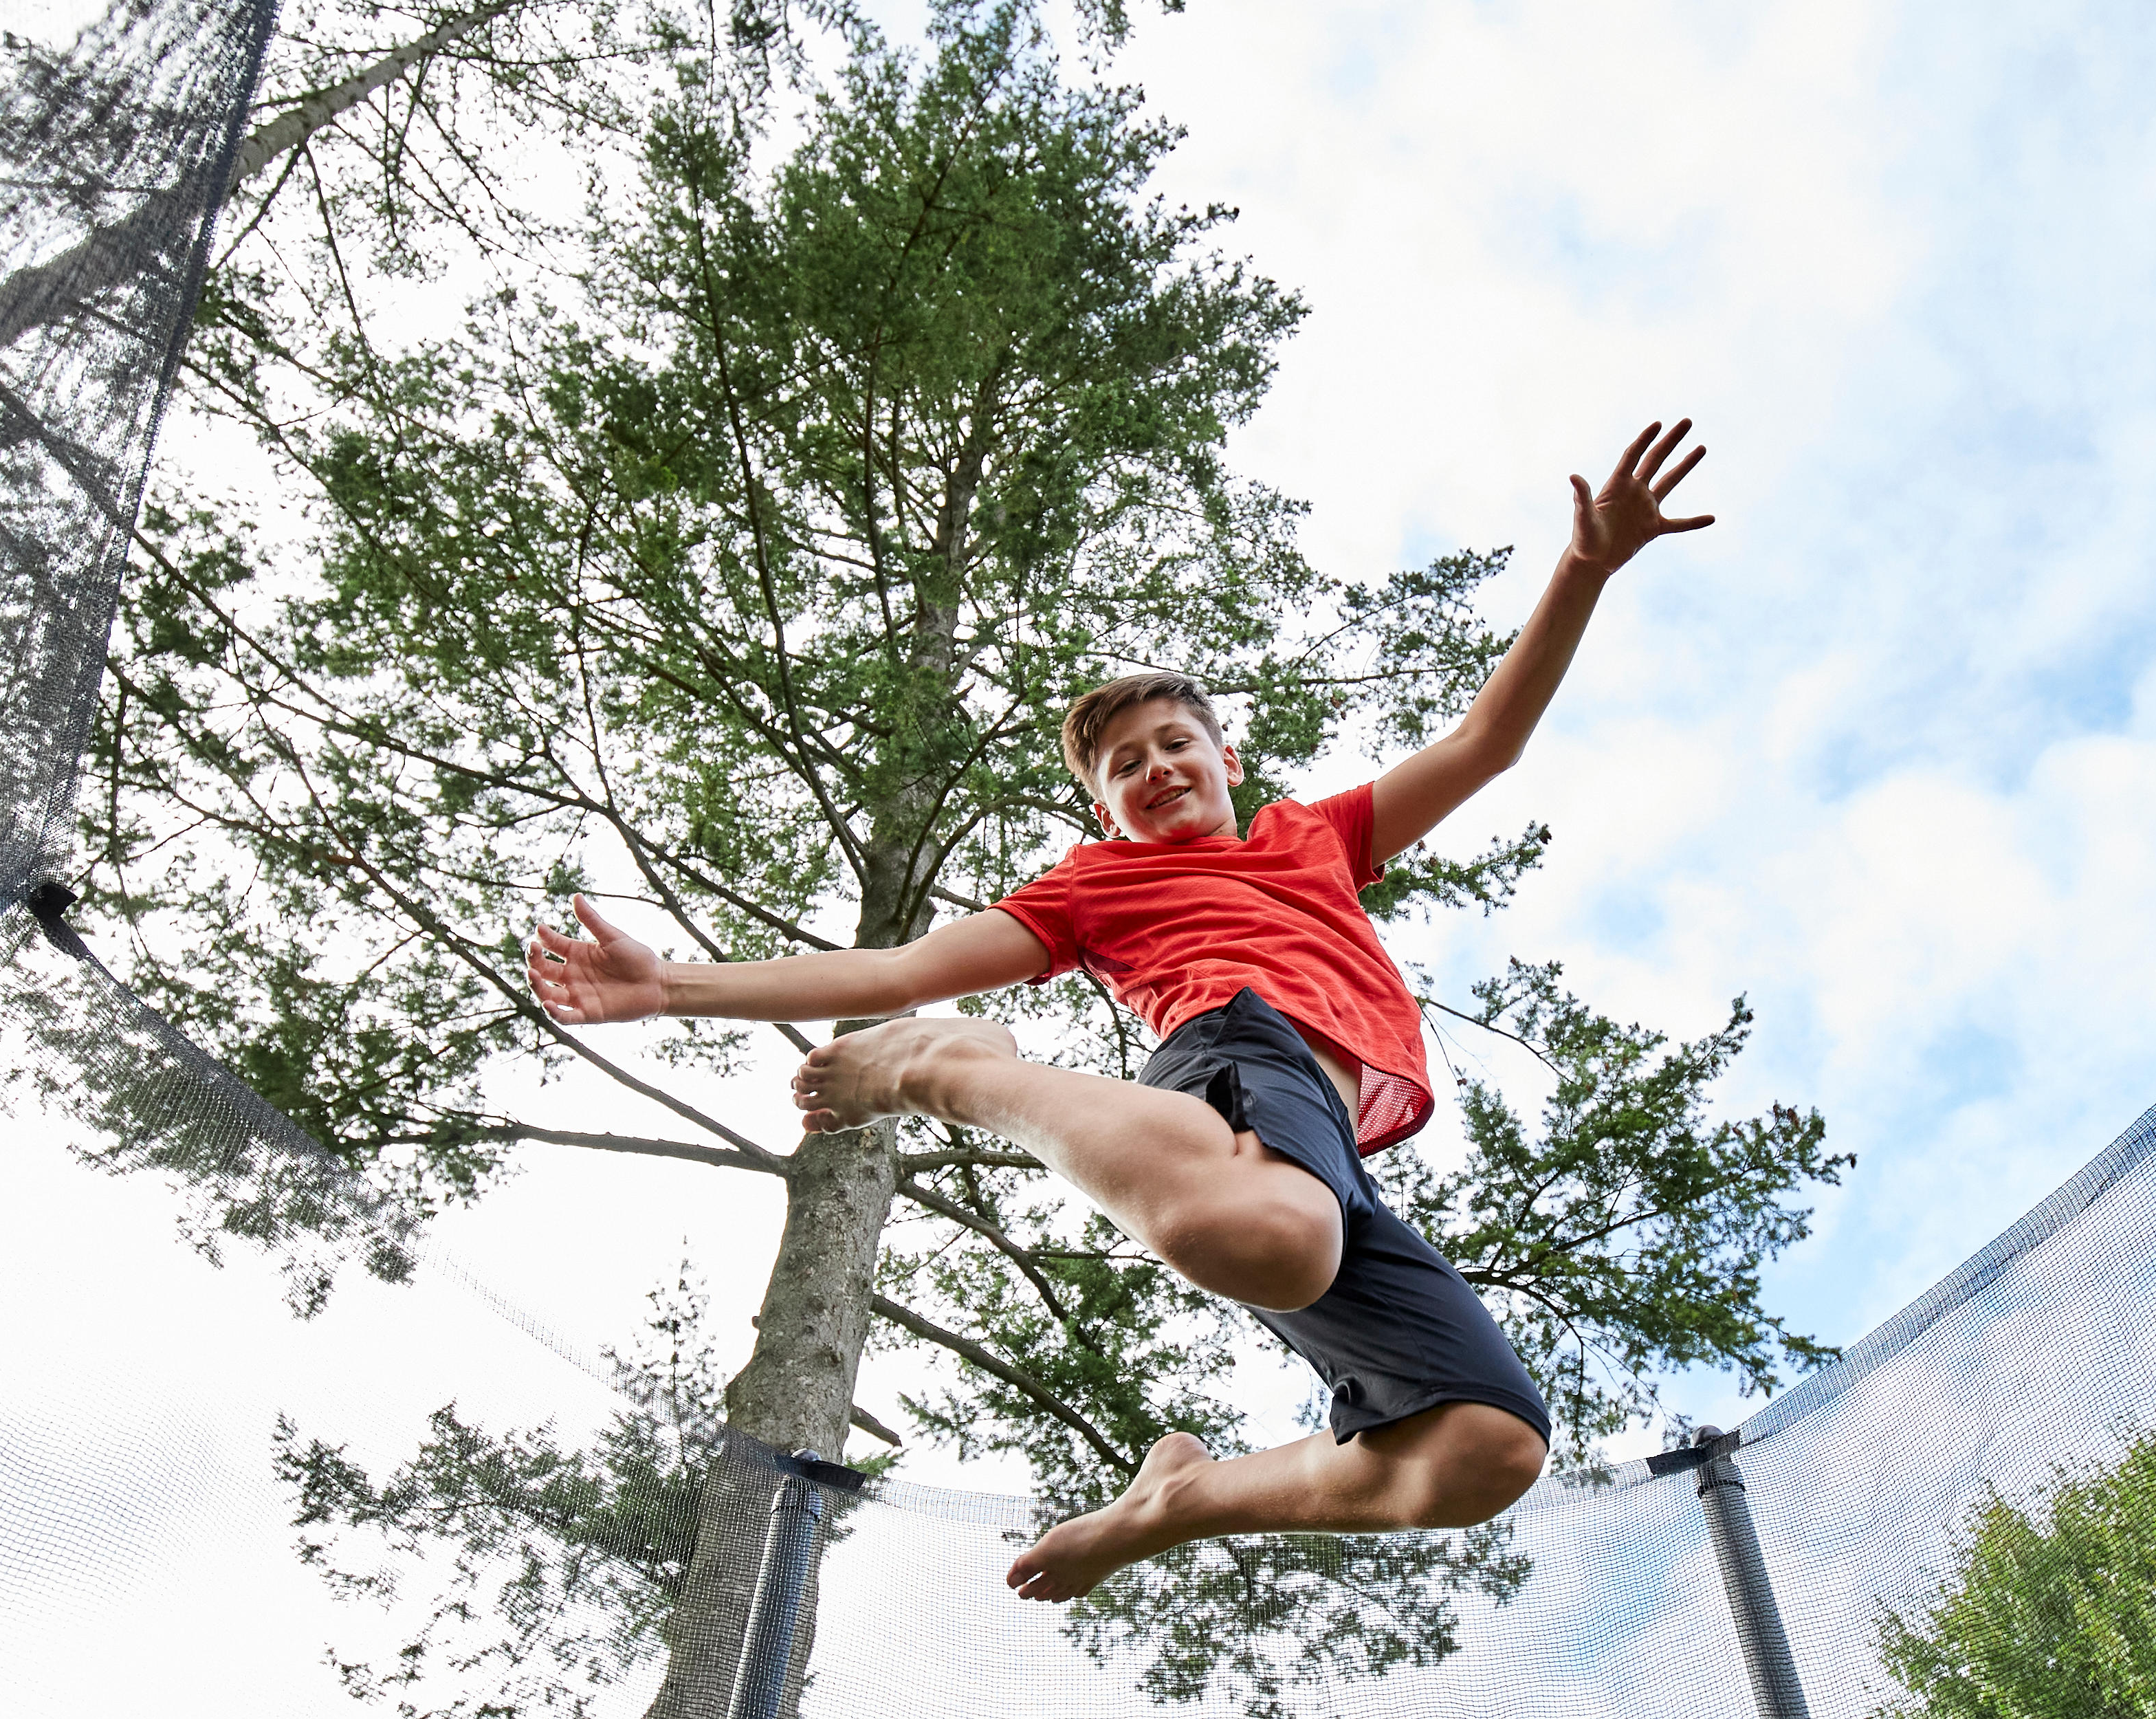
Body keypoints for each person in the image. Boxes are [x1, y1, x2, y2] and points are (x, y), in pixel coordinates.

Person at [525, 419, 1716, 1601]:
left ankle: (1183, 1500)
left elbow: (1485, 740)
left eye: (1174, 742)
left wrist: (1583, 568)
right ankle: (953, 1070)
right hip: (1238, 1057)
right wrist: (670, 986)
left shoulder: (1319, 838)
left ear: (1225, 756)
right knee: (1277, 1240)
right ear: (1105, 809)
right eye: (1125, 767)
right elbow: (898, 971)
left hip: (1322, 1152)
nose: (1156, 769)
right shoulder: (1098, 884)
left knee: (1482, 1446)